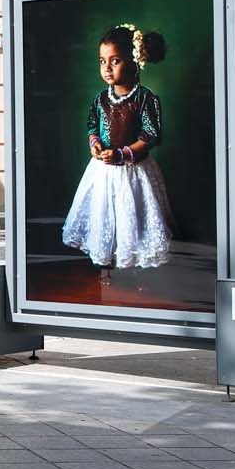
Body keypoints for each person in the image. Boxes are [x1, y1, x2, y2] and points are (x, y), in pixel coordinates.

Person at [62, 23, 173, 282]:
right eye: (102, 61)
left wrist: (123, 154)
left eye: (115, 61)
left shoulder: (145, 99)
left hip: (133, 172)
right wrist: (95, 144)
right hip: (103, 171)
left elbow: (150, 135)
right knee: (105, 215)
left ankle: (134, 273)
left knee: (131, 219)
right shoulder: (100, 99)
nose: (107, 68)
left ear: (134, 62)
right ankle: (107, 269)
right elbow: (92, 124)